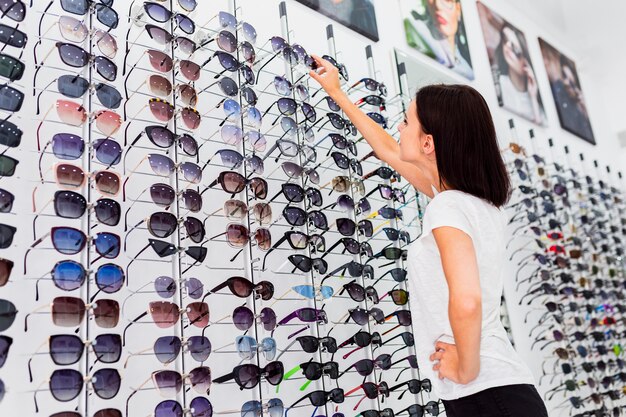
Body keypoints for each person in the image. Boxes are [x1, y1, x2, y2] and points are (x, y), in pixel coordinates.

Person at [309, 55, 549, 417]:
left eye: (406, 121)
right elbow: (390, 151)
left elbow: (467, 299)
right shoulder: (473, 203)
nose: (400, 127)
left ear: (428, 144)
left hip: (484, 393)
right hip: (499, 391)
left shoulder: (447, 208)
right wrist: (339, 95)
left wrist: (466, 369)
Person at [404, 0, 474, 80]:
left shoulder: (468, 71)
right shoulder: (414, 28)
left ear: (458, 8)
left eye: (447, 0)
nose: (438, 5)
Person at [493, 23, 545, 125]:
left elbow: (541, 128)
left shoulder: (537, 106)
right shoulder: (498, 84)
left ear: (527, 61)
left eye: (515, 49)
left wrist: (533, 97)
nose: (507, 48)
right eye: (505, 40)